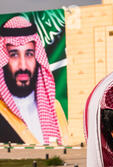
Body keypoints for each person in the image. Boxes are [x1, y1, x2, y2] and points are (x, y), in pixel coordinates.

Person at [0, 16, 68, 144]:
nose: (23, 66)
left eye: (29, 54)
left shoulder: (55, 108)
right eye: (14, 55)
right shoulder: (1, 112)